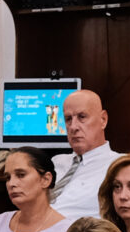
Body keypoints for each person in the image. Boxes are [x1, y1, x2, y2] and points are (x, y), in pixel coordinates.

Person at [46, 90, 118, 220]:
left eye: (82, 117)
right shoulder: (56, 162)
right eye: (68, 119)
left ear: (103, 120)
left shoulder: (120, 166)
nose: (73, 127)